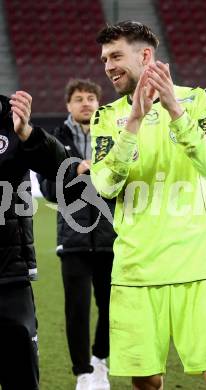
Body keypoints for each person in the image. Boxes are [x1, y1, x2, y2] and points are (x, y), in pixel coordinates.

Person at [90, 21, 206, 390]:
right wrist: (136, 121)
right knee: (146, 383)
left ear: (145, 55)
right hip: (136, 270)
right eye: (104, 59)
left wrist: (174, 108)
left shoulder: (198, 99)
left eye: (115, 56)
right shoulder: (107, 117)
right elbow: (105, 185)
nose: (108, 66)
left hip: (198, 265)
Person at [38, 79, 115, 390]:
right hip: (73, 241)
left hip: (111, 239)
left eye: (91, 98)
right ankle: (83, 372)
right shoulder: (54, 140)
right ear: (68, 106)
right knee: (77, 310)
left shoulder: (114, 137)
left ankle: (100, 361)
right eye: (79, 99)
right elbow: (47, 189)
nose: (86, 103)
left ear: (99, 104)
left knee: (113, 308)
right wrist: (76, 172)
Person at [0, 91, 69, 390]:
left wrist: (26, 132)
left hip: (10, 279)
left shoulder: (10, 116)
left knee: (22, 380)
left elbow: (61, 169)